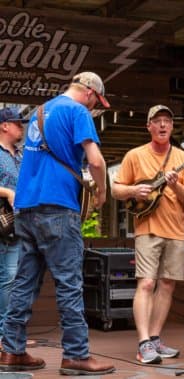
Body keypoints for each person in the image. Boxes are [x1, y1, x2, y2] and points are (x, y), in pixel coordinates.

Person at [0, 72, 115, 375]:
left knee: (24, 282)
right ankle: (76, 355)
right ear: (90, 93)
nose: (93, 109)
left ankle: (11, 351)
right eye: (96, 104)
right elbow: (97, 161)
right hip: (57, 207)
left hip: (26, 208)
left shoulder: (41, 110)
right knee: (69, 283)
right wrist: (103, 191)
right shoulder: (76, 111)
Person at [111, 104, 184, 364]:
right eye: (157, 121)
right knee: (147, 283)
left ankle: (156, 339)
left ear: (172, 127)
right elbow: (116, 188)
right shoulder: (134, 155)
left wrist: (176, 188)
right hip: (147, 228)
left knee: (168, 285)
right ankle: (143, 343)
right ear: (148, 126)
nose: (162, 125)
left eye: (167, 122)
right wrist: (133, 191)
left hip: (177, 231)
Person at [0, 107, 37, 351]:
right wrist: (7, 191)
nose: (21, 127)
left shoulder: (23, 154)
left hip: (17, 226)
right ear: (4, 126)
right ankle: (6, 334)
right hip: (4, 221)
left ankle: (10, 334)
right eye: (17, 123)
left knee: (13, 278)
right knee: (8, 278)